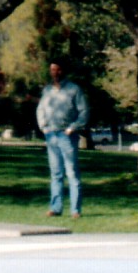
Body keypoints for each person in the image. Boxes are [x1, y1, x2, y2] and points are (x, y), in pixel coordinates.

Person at [35, 62, 90, 218]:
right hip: (51, 134)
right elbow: (40, 109)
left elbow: (84, 111)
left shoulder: (74, 89)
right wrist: (43, 127)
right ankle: (55, 207)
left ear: (63, 70)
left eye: (58, 69)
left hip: (67, 135)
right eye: (52, 70)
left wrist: (72, 128)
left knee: (72, 173)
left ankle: (75, 210)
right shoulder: (47, 90)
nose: (55, 72)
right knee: (56, 173)